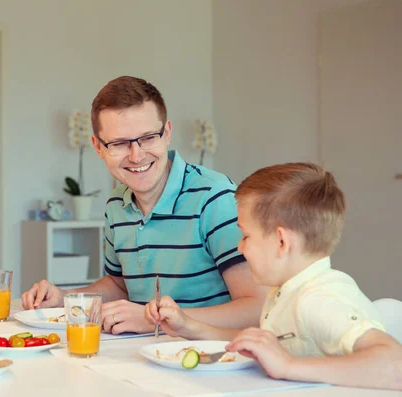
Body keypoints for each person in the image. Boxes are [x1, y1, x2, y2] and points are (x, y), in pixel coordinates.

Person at [22, 76, 267, 334]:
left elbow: (256, 308)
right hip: (144, 355)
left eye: (148, 138)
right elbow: (120, 286)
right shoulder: (116, 204)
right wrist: (66, 299)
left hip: (208, 362)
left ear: (167, 133)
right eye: (119, 143)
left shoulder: (215, 197)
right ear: (98, 146)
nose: (137, 155)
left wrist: (153, 320)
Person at [145, 162, 402, 390]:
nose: (239, 247)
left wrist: (288, 365)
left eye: (245, 236)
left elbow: (395, 365)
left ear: (281, 242)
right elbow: (260, 344)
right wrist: (191, 327)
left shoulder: (319, 300)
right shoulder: (287, 290)